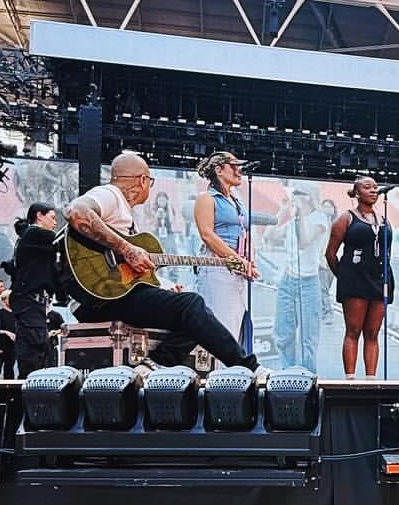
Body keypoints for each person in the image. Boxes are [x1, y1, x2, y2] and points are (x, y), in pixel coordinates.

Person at [65, 151, 256, 369]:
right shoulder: (111, 194)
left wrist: (164, 286)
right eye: (150, 181)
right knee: (192, 306)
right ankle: (247, 366)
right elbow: (76, 212)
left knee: (193, 312)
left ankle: (151, 366)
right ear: (143, 180)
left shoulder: (126, 218)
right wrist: (127, 248)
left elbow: (129, 275)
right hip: (101, 298)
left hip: (105, 297)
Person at [193, 151, 261, 362]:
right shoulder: (207, 199)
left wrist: (249, 260)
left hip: (238, 270)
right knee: (220, 324)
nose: (239, 170)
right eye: (234, 165)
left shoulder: (238, 202)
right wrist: (236, 260)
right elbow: (207, 234)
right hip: (217, 267)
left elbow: (247, 234)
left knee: (236, 325)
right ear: (219, 170)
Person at [326, 175, 393, 377]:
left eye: (375, 187)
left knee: (373, 333)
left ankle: (371, 378)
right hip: (355, 281)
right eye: (367, 187)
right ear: (356, 192)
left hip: (380, 280)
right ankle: (350, 378)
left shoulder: (384, 220)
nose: (373, 190)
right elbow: (330, 254)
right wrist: (345, 277)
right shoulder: (346, 219)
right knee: (353, 330)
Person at [272, 185, 331, 368]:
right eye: (294, 194)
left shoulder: (319, 219)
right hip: (288, 280)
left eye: (299, 194)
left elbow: (304, 242)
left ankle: (307, 377)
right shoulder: (293, 221)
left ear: (309, 197)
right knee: (284, 334)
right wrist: (282, 213)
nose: (295, 197)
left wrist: (300, 214)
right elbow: (270, 235)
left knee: (308, 338)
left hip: (309, 282)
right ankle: (286, 371)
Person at [6, 202, 61, 378]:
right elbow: (62, 239)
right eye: (52, 218)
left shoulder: (33, 238)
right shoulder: (34, 233)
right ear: (39, 216)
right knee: (32, 349)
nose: (55, 223)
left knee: (39, 348)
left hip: (33, 303)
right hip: (29, 301)